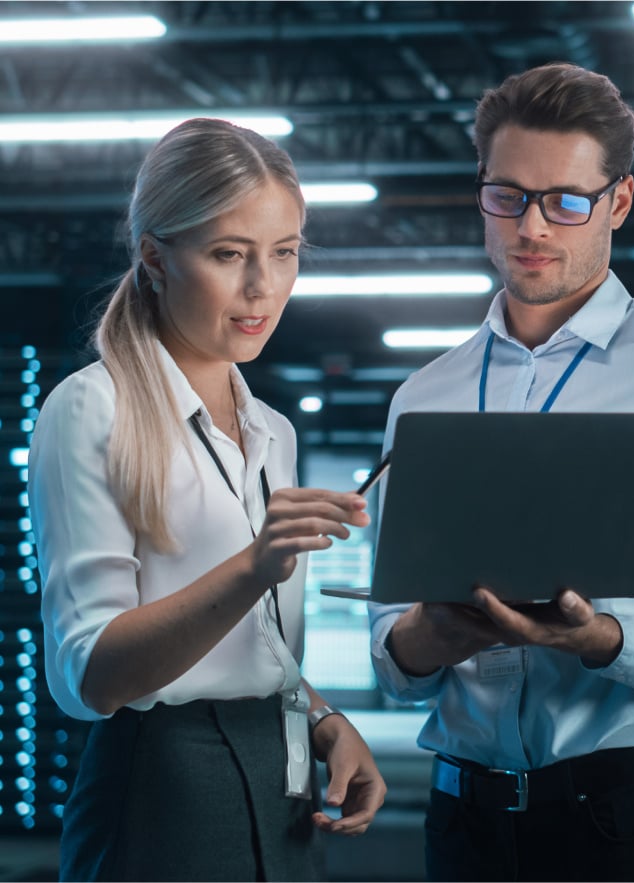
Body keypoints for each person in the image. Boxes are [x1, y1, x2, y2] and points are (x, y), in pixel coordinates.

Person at [369, 62, 634, 882]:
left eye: (565, 201)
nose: (531, 227)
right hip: (460, 827)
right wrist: (420, 642)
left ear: (618, 200)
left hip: (626, 824)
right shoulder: (423, 396)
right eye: (506, 195)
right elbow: (390, 657)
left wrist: (605, 641)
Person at [29, 117, 386, 883]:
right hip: (161, 789)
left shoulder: (274, 431)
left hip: (281, 774)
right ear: (156, 257)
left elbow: (254, 649)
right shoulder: (93, 409)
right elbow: (93, 674)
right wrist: (255, 564)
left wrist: (323, 719)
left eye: (283, 254)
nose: (262, 287)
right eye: (230, 255)